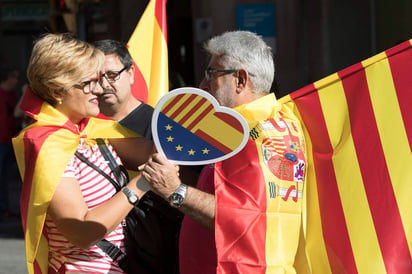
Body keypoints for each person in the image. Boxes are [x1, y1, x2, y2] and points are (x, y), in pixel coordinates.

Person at [140, 30, 308, 273]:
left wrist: (175, 191)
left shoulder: (252, 135)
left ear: (240, 79)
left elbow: (243, 215)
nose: (202, 85)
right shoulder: (276, 120)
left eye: (211, 74)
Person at [12, 33, 154, 274]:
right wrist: (141, 184)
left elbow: (155, 152)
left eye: (98, 79)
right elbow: (82, 232)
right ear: (57, 91)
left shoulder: (89, 129)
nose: (98, 89)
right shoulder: (51, 145)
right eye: (87, 83)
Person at [93, 39, 186, 274]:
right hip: (103, 256)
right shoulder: (80, 128)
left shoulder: (165, 129)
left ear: (131, 72)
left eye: (112, 75)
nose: (104, 85)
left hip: (160, 254)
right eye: (95, 78)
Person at [0, 66, 20, 218]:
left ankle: (4, 208)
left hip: (8, 141)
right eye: (15, 77)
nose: (17, 81)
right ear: (7, 78)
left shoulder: (12, 95)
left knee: (5, 177)